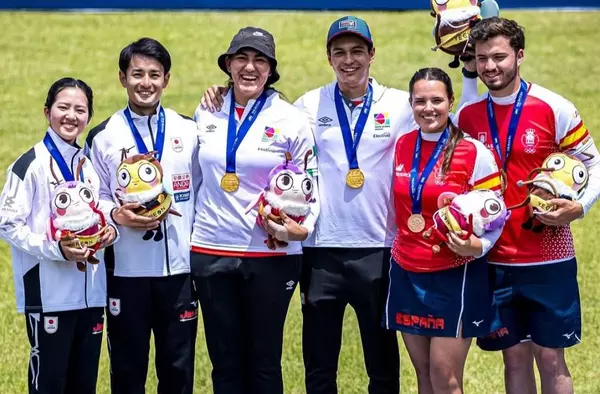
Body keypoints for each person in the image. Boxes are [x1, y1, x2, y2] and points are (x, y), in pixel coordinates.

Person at [198, 16, 480, 394]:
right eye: (340, 53)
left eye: (357, 51)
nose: (349, 60)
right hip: (320, 252)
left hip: (380, 251)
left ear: (372, 54)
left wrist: (470, 69)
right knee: (319, 366)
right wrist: (224, 92)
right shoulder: (306, 106)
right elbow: (261, 121)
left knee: (381, 366)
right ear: (329, 58)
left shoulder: (399, 105)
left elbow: (451, 123)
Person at [456, 17, 600, 394]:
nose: (491, 66)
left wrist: (579, 207)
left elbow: (592, 163)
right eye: (483, 58)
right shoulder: (468, 117)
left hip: (548, 259)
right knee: (514, 358)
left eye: (500, 57)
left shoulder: (554, 107)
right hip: (495, 260)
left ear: (520, 55)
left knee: (551, 358)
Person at [190, 26, 319, 394]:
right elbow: (196, 177)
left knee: (264, 364)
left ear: (271, 69)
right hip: (212, 251)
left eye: (259, 60)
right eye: (242, 58)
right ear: (228, 64)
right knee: (225, 364)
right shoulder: (208, 110)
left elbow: (309, 181)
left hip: (271, 256)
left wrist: (300, 229)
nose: (250, 67)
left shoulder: (290, 118)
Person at [84, 38, 200, 394]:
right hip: (126, 274)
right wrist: (116, 214)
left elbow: (203, 190)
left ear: (167, 79)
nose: (145, 82)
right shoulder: (103, 136)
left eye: (154, 74)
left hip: (179, 272)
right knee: (127, 370)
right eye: (137, 74)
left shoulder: (189, 131)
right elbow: (94, 196)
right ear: (122, 78)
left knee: (178, 371)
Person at [384, 67, 503, 394]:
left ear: (451, 102)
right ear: (410, 104)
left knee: (445, 378)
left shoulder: (473, 152)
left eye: (437, 100)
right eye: (420, 101)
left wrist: (477, 246)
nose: (428, 108)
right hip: (407, 270)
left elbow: (498, 213)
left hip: (454, 273)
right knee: (423, 375)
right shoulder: (402, 144)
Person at [0, 77, 117, 394]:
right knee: (49, 385)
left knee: (84, 385)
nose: (71, 116)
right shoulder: (29, 166)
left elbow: (102, 209)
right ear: (46, 111)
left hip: (91, 296)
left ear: (88, 117)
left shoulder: (87, 164)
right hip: (48, 297)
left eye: (80, 110)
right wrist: (55, 249)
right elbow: (8, 224)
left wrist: (110, 230)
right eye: (63, 107)